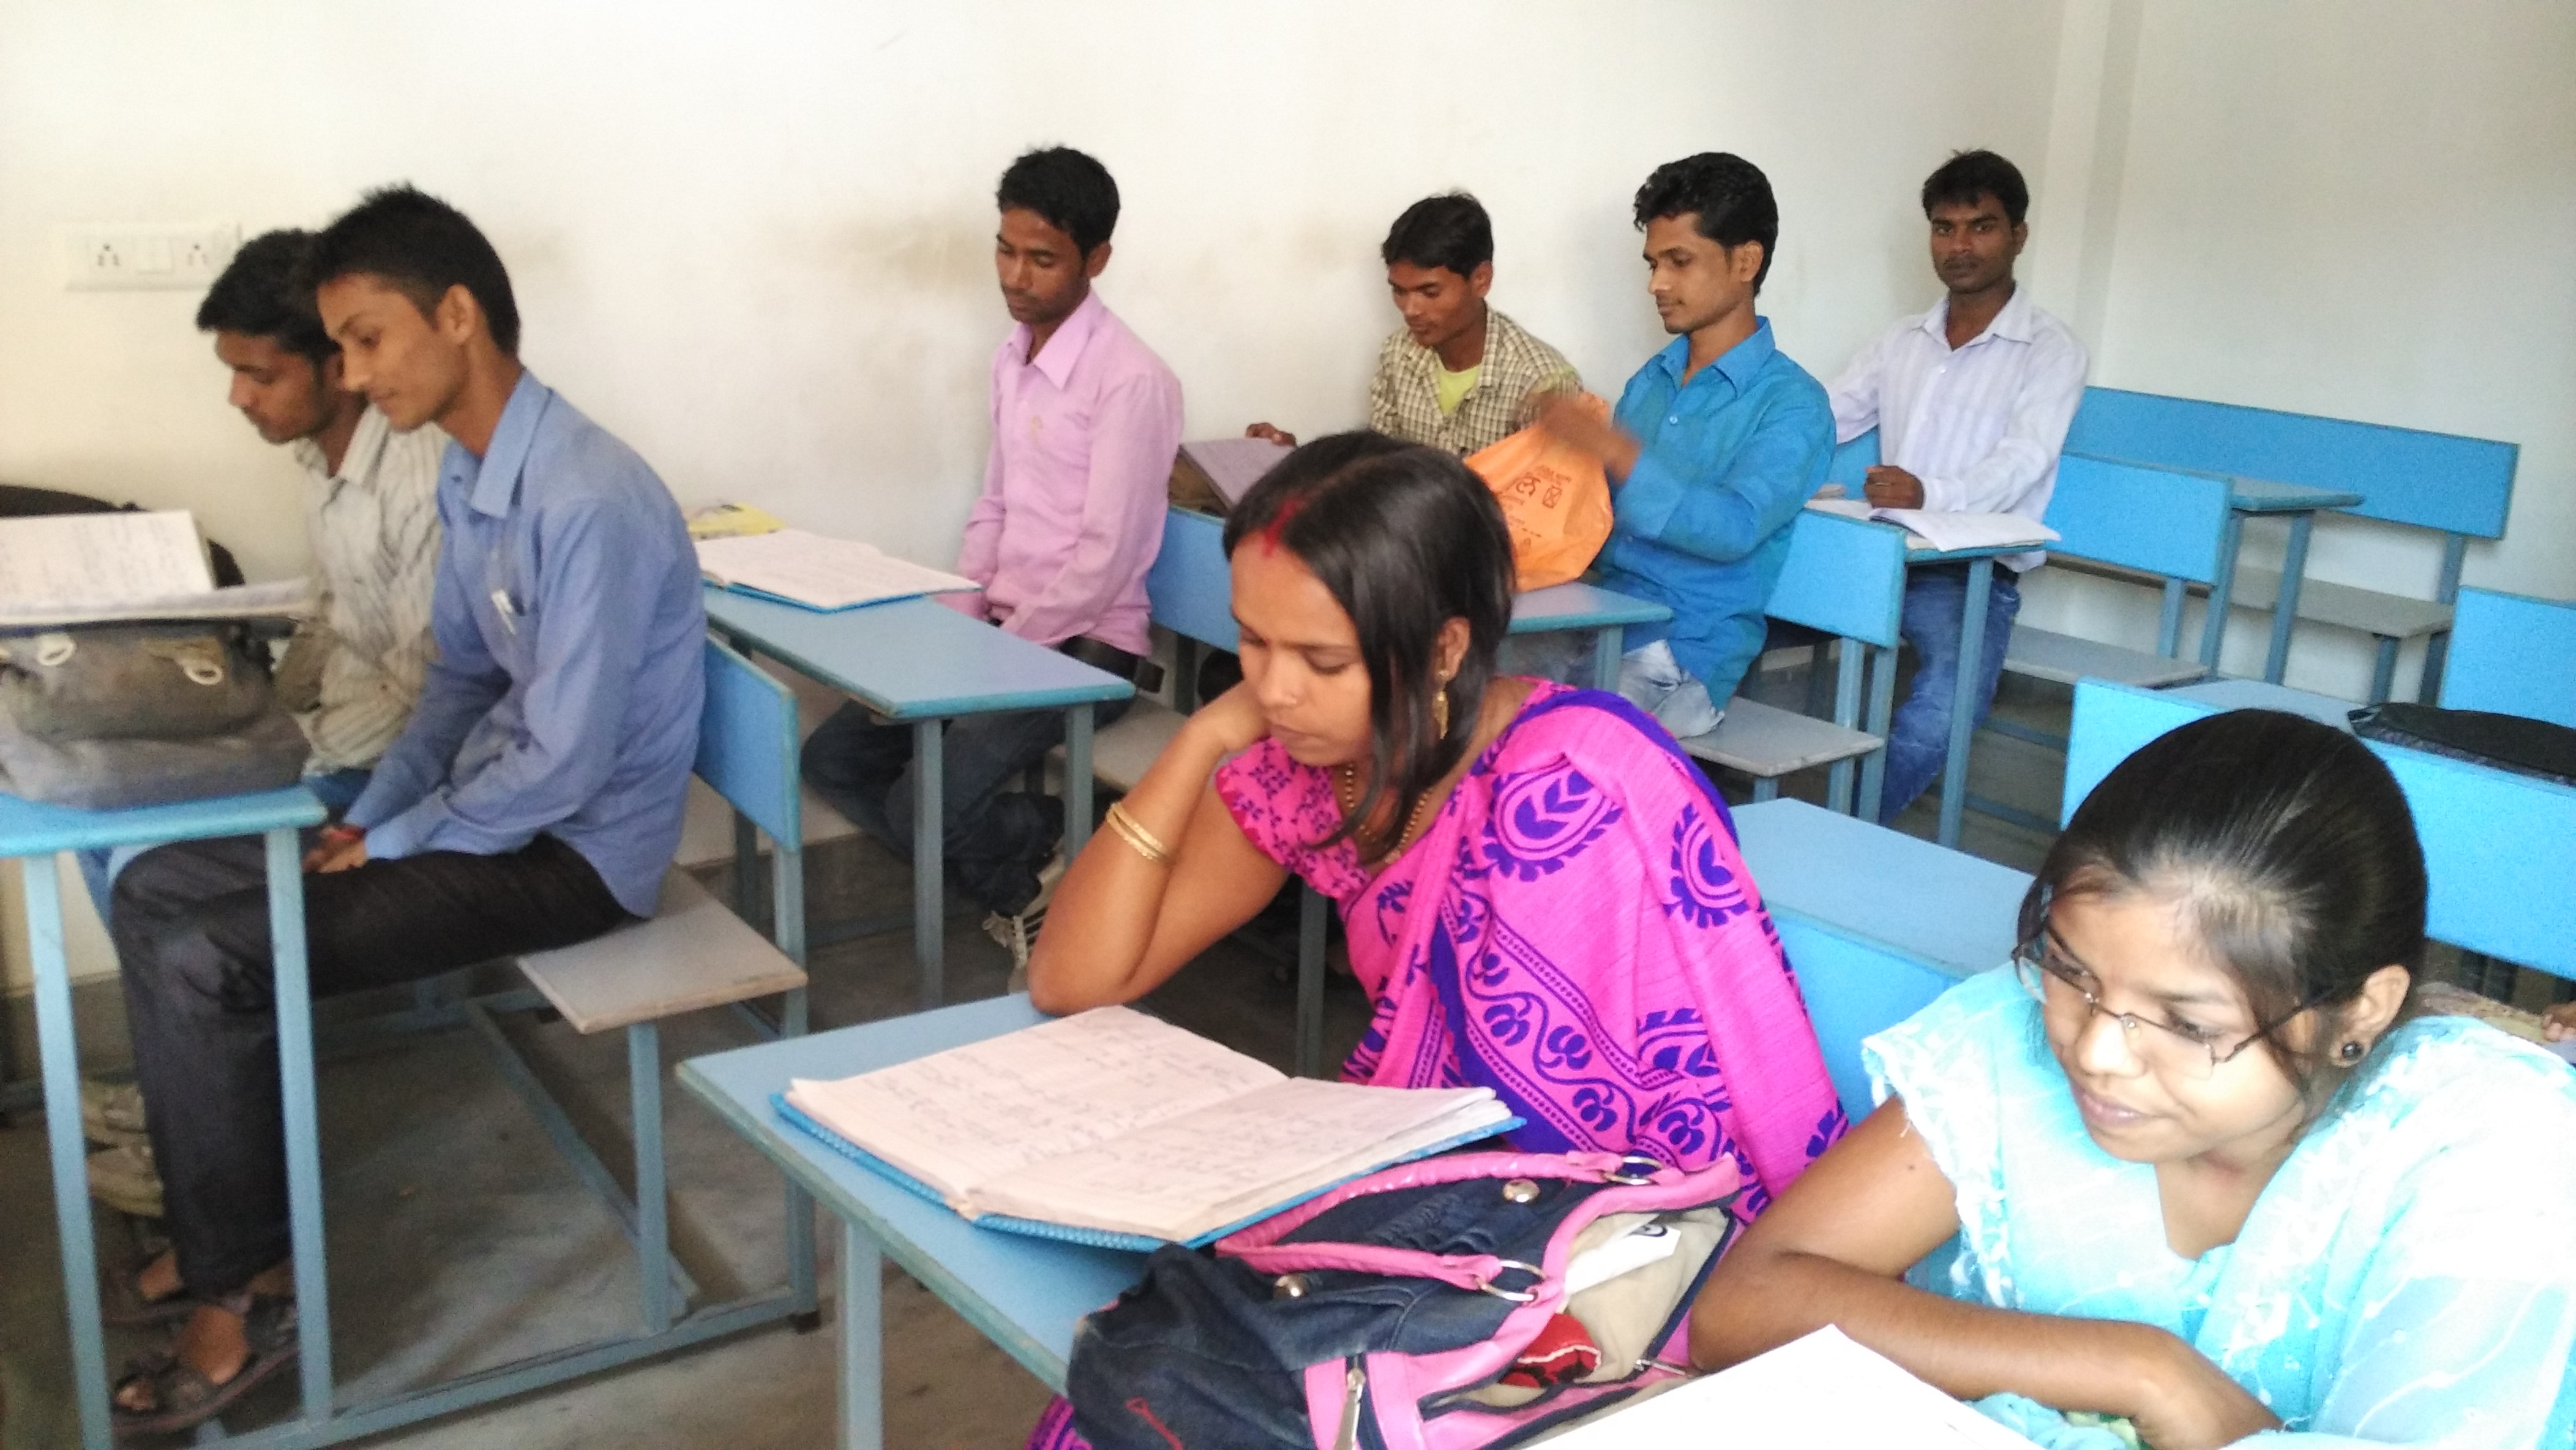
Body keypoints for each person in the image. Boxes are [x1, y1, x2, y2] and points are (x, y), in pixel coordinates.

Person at [1019, 433, 1847, 1449]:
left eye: (1321, 659)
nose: (1274, 690)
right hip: (1432, 1192)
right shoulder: (1314, 766)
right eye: (1252, 644)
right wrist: (1202, 737)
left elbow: (1591, 1131)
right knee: (1127, 1403)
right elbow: (1075, 976)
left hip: (1611, 1238)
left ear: (1444, 650)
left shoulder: (1565, 790)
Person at [101, 185, 706, 1435]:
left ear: (458, 315)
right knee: (157, 885)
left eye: (369, 338)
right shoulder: (478, 474)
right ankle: (226, 1226)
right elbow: (458, 687)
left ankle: (249, 1286)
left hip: (575, 855)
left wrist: (397, 837)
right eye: (342, 345)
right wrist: (371, 813)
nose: (356, 372)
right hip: (494, 816)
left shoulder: (584, 495)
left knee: (210, 951)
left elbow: (563, 766)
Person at [1689, 709, 2576, 1449]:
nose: (2095, 1053)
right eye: (2069, 970)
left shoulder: (2488, 1144)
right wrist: (2140, 1368)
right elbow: (1747, 1304)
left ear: (2360, 1012)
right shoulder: (2009, 1041)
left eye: (2189, 1026)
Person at [800, 146, 1179, 974]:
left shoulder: (1131, 381)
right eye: (1005, 251)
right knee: (831, 758)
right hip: (1001, 636)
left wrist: (989, 661)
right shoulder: (1012, 358)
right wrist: (958, 631)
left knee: (922, 804)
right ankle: (1031, 870)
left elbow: (1104, 561)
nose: (1015, 276)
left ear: (1096, 260)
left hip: (1086, 649)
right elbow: (995, 507)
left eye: (1042, 259)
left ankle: (1066, 844)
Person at [1828, 151, 2089, 823]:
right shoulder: (1900, 341)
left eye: (1981, 226)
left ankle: (1843, 826)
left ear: (2018, 236)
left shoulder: (2050, 350)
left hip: (1969, 575)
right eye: (1944, 228)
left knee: (1947, 704)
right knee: (1740, 615)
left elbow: (2024, 459)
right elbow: (1825, 417)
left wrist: (1929, 493)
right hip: (1883, 556)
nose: (1960, 245)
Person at [1537, 152, 1832, 740]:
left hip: (1684, 651)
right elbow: (1597, 519)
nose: (1657, 284)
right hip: (1603, 618)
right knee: (1456, 682)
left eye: (1679, 261)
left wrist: (1615, 451)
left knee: (1563, 738)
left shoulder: (1795, 404)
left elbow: (1733, 527)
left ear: (1745, 261)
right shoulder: (1651, 381)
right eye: (1653, 264)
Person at [1246, 192, 1578, 457]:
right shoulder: (1398, 354)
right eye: (1399, 291)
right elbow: (1380, 470)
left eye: (1429, 292)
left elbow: (1549, 509)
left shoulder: (1541, 383)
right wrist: (1298, 459)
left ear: (1481, 280)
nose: (1410, 310)